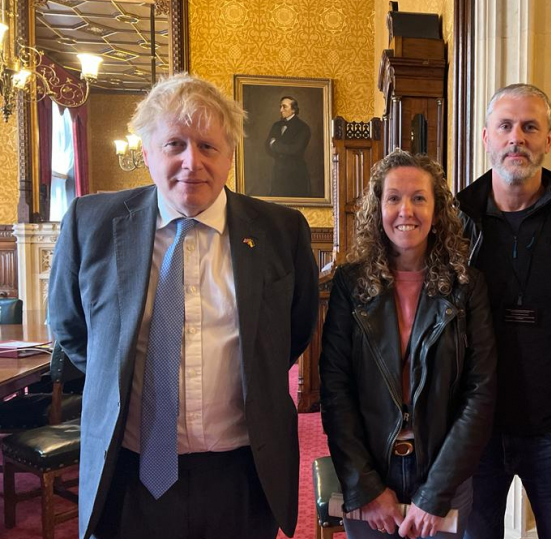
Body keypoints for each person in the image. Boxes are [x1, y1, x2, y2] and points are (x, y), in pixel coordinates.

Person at [48, 73, 319, 539]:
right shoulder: (91, 224)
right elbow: (71, 327)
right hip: (130, 471)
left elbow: (293, 331)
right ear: (147, 153)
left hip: (242, 473)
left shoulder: (282, 231)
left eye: (208, 146)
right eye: (174, 144)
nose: (192, 162)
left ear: (230, 155)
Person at [320, 149, 497, 539]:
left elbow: (480, 394)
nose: (406, 211)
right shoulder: (350, 284)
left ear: (437, 211)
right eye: (394, 198)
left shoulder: (468, 287)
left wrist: (435, 493)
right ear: (378, 209)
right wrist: (365, 486)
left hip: (443, 473)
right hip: (368, 471)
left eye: (419, 198)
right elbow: (335, 390)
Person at [457, 84, 551, 539]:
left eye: (530, 127)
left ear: (549, 139)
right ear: (486, 138)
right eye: (505, 126)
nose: (516, 137)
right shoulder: (453, 226)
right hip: (474, 436)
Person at [266, 96, 312, 197]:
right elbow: (267, 147)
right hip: (278, 173)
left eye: (284, 107)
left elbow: (295, 149)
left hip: (295, 174)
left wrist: (275, 144)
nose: (281, 110)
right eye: (280, 107)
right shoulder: (276, 126)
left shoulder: (303, 128)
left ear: (293, 109)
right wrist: (281, 148)